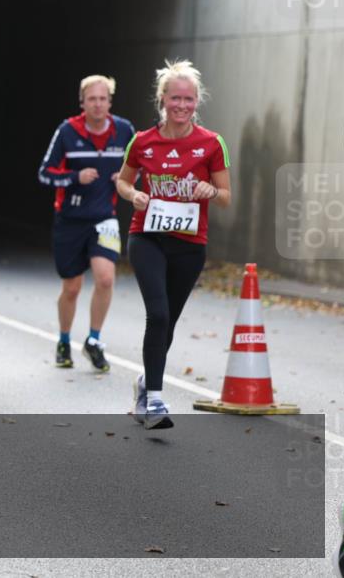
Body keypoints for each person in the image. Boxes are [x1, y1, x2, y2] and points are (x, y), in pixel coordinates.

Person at [116, 59, 231, 429]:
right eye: (175, 98)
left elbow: (227, 196)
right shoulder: (143, 142)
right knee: (159, 314)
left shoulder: (211, 143)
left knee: (169, 323)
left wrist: (211, 190)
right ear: (162, 99)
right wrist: (133, 194)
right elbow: (122, 181)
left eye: (189, 99)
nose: (182, 105)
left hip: (190, 244)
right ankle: (154, 399)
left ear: (197, 102)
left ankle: (143, 384)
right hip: (146, 237)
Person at [38, 76, 135, 371]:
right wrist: (73, 178)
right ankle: (64, 341)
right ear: (83, 102)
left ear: (110, 101)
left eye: (103, 99)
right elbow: (44, 173)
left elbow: (140, 168)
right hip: (70, 220)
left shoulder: (124, 130)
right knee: (72, 287)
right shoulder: (68, 131)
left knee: (106, 278)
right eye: (92, 99)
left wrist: (127, 179)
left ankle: (93, 340)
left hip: (105, 218)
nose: (98, 104)